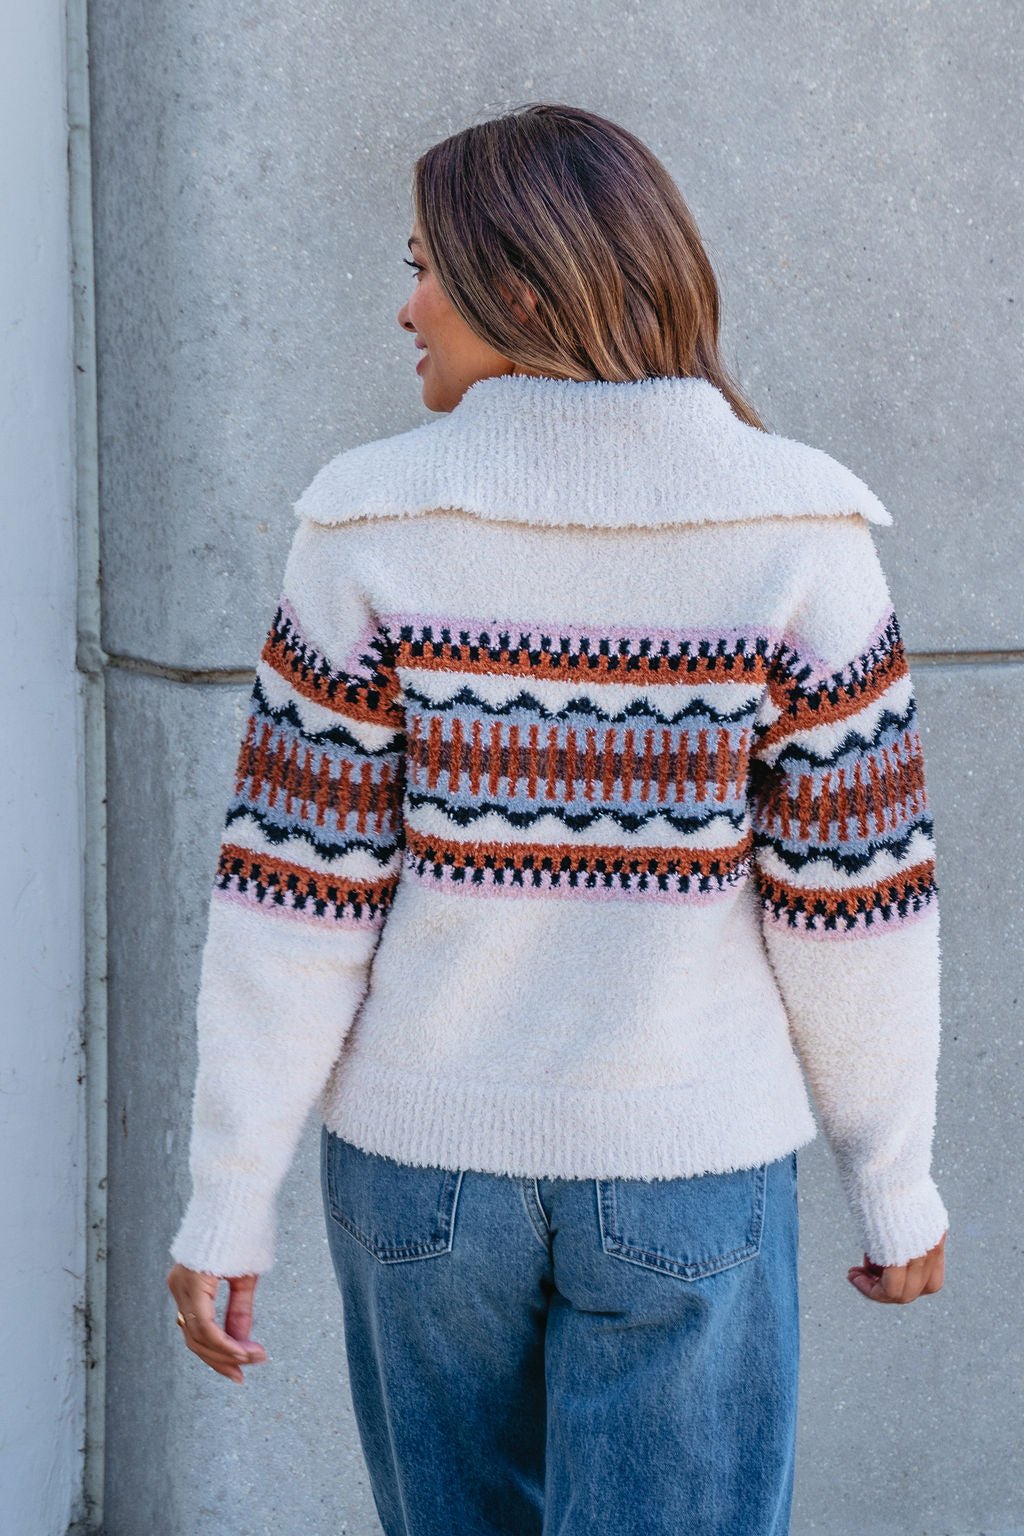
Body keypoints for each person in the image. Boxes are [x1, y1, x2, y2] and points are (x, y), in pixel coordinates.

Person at [167, 103, 948, 1534]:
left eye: (427, 267)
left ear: (520, 286)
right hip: (688, 1171)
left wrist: (229, 1198)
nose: (405, 306)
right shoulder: (801, 533)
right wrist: (892, 1184)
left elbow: (291, 902)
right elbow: (855, 912)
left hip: (419, 1184)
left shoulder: (362, 524)